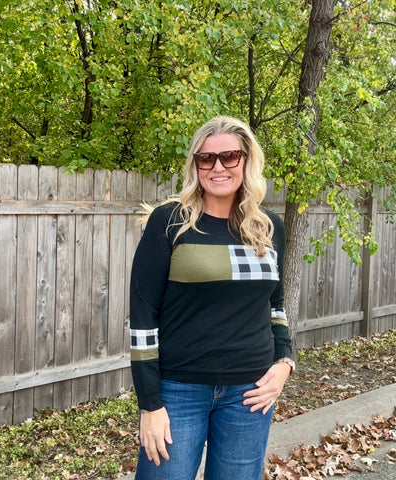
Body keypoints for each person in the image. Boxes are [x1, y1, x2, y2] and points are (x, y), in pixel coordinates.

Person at [129, 116, 295, 480]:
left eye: (229, 156)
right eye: (206, 159)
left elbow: (275, 306)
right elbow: (142, 318)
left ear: (247, 161)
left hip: (251, 395)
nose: (218, 166)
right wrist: (150, 404)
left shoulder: (268, 229)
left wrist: (284, 362)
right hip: (178, 393)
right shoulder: (170, 222)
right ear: (195, 165)